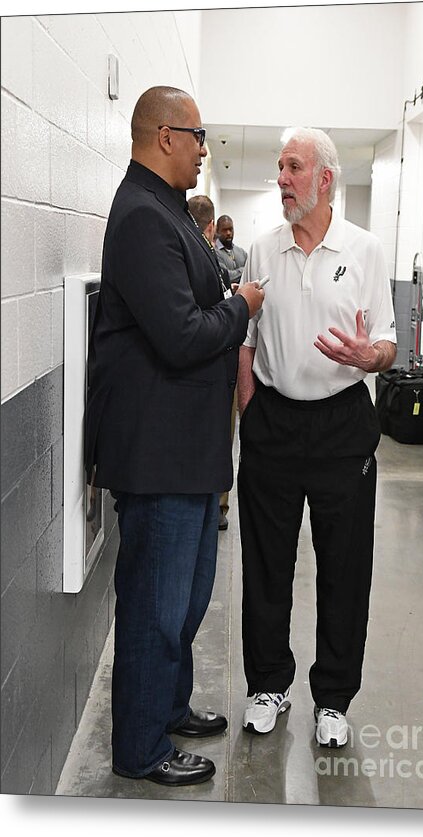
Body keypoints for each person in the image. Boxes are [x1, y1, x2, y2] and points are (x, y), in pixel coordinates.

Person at [85, 86, 264, 787]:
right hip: (156, 454)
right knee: (155, 608)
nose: (202, 148)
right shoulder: (140, 216)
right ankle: (139, 747)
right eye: (197, 135)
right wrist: (240, 308)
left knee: (185, 602)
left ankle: (169, 705)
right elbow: (184, 335)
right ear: (165, 135)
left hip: (183, 452)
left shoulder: (165, 212)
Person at [237, 127, 397, 748]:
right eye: (279, 167)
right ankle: (267, 685)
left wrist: (369, 354)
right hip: (273, 424)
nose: (281, 178)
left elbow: (385, 340)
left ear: (324, 179)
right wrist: (251, 415)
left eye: (293, 168)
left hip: (341, 425)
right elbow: (245, 345)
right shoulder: (260, 250)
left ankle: (333, 698)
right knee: (267, 564)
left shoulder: (365, 249)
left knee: (344, 566)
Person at [188, 195, 237, 531]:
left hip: (214, 371)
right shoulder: (198, 260)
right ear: (211, 228)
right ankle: (215, 502)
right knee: (221, 434)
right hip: (211, 369)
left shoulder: (206, 262)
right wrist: (240, 306)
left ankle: (215, 502)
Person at [215, 215, 248, 287]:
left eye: (230, 229)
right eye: (224, 230)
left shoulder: (241, 252)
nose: (228, 233)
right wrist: (244, 270)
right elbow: (226, 277)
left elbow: (251, 271)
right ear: (217, 231)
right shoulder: (214, 253)